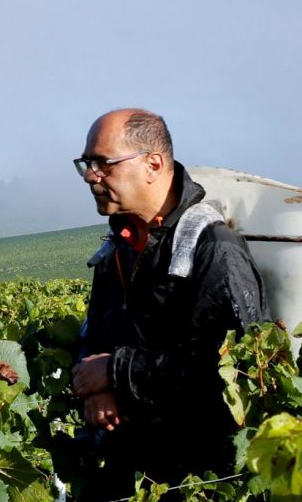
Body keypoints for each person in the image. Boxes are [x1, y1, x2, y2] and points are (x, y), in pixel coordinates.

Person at [69, 108, 267, 481]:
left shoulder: (214, 248)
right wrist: (93, 390)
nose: (91, 177)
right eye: (87, 164)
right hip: (130, 471)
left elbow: (226, 371)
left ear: (154, 165)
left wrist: (113, 371)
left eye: (103, 163)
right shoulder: (117, 248)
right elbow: (93, 335)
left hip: (201, 482)